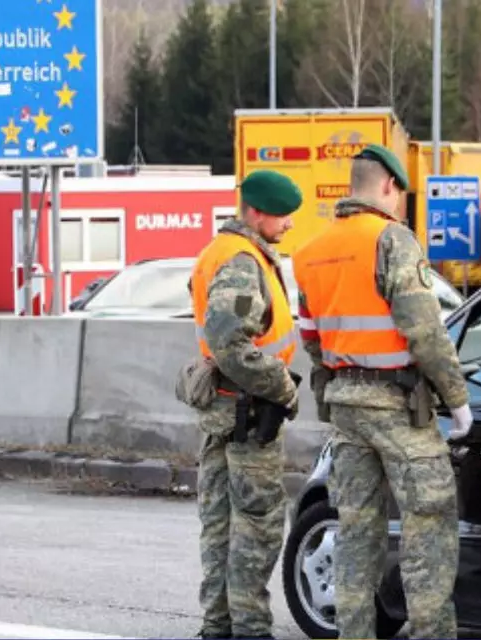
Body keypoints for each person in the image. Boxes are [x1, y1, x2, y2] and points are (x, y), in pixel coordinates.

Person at [292, 144, 474, 639]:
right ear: (389, 186)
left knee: (355, 532)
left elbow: (310, 338)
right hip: (397, 407)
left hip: (346, 410)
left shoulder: (309, 253)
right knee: (429, 525)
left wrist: (345, 374)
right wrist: (457, 400)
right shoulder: (392, 240)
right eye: (401, 195)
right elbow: (425, 332)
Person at [187, 169, 305, 640]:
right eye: (282, 216)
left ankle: (217, 626)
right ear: (255, 213)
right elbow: (229, 340)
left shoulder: (223, 252)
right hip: (249, 414)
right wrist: (282, 386)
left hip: (224, 411)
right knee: (255, 528)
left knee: (219, 526)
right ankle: (250, 630)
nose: (289, 225)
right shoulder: (240, 261)